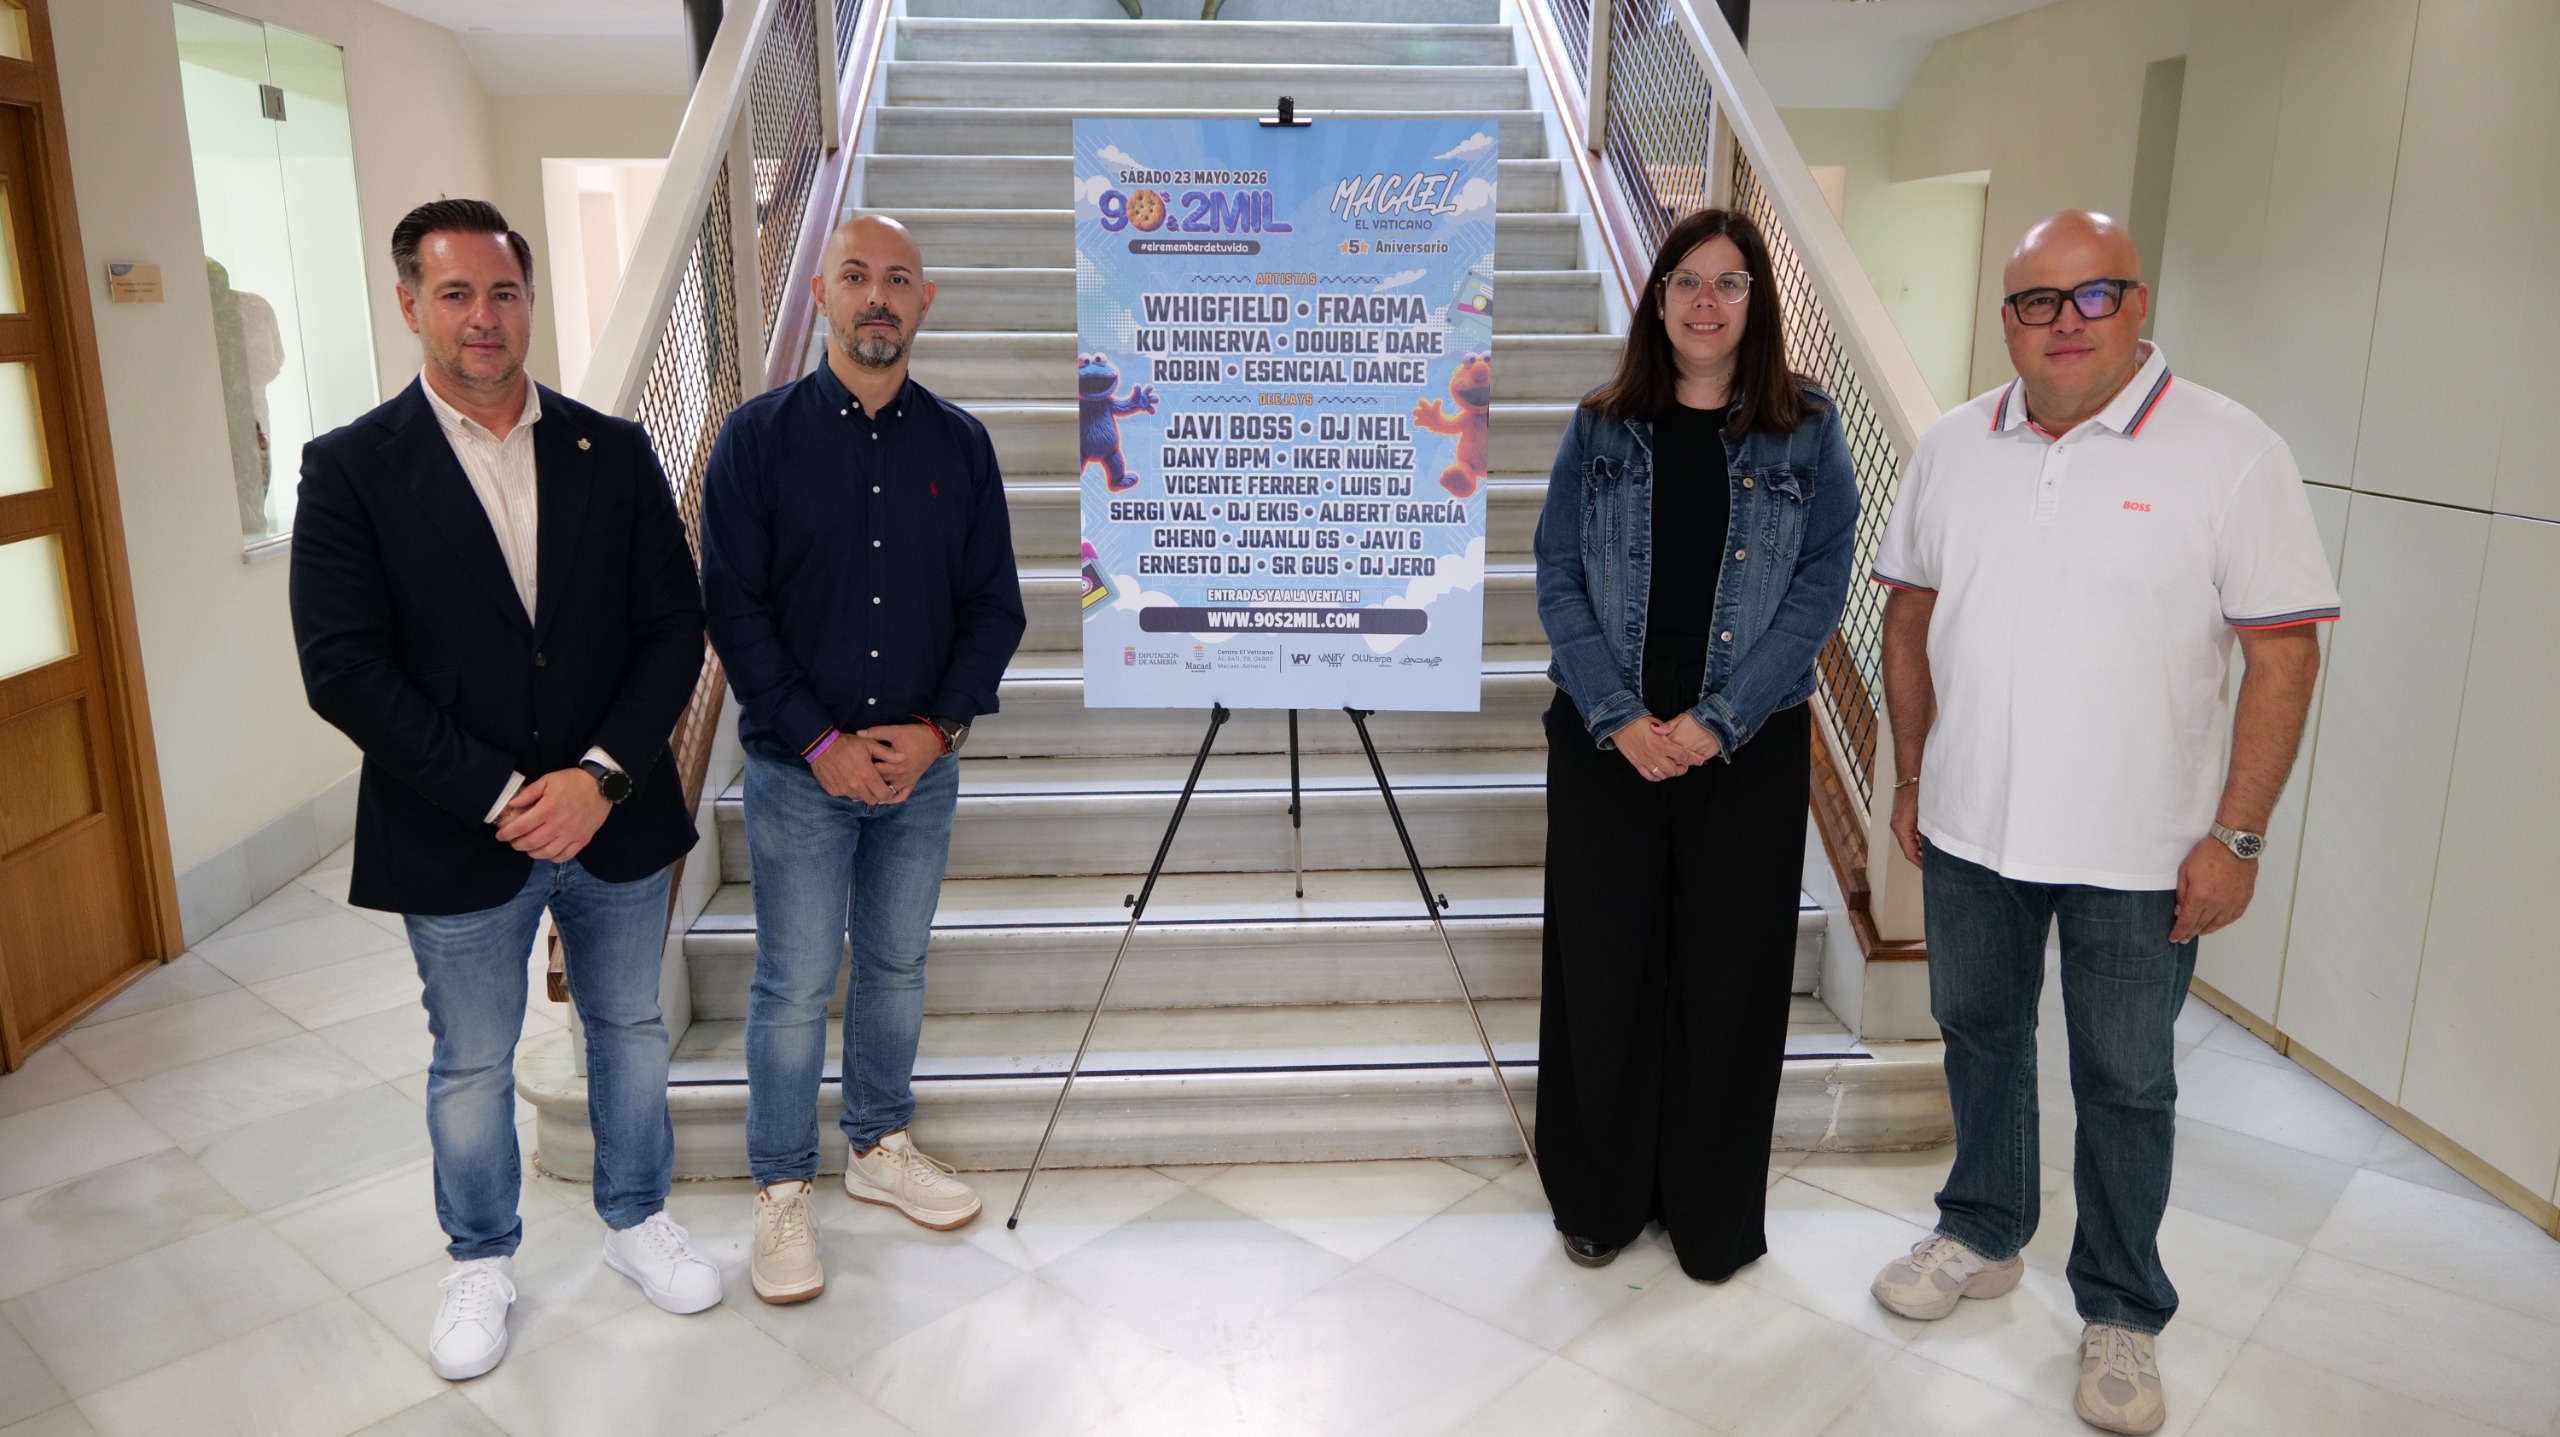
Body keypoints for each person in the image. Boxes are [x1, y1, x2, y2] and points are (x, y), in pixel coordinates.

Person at [1865, 211, 2335, 1436]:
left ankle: (2122, 1307)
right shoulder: (1952, 446)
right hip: (1970, 829)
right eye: (2037, 300)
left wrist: (2235, 837)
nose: (2064, 323)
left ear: (2136, 305)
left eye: (2093, 295)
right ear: (2006, 319)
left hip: (2143, 851)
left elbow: (2283, 657)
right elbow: (1907, 620)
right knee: (1977, 1035)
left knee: (2125, 1082)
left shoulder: (2232, 451)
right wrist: (1912, 780)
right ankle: (1982, 1229)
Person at [290, 199, 720, 1381]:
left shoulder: (609, 449)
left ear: (529, 302)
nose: (483, 317)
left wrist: (599, 777)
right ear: (409, 305)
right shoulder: (350, 469)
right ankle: (480, 1257)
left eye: (503, 293)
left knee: (628, 1027)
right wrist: (500, 795)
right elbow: (344, 670)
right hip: (454, 830)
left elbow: (673, 627)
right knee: (472, 1061)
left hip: (613, 820)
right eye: (456, 294)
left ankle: (636, 1218)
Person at [700, 214, 1026, 1305]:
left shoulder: (962, 446)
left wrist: (938, 732)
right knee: (793, 983)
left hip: (920, 773)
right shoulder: (756, 441)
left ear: (923, 300)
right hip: (800, 775)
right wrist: (821, 741)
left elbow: (994, 609)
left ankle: (879, 1144)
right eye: (854, 276)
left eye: (896, 279)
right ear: (823, 297)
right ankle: (782, 1185)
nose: (876, 296)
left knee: (895, 965)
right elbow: (733, 609)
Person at [1531, 207, 1859, 1281]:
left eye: (1729, 282)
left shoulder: (1808, 430)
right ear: (1658, 297)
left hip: (1748, 737)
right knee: (1603, 968)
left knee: (1730, 977)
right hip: (1607, 732)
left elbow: (1817, 591)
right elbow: (1557, 575)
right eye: (1686, 280)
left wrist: (1718, 720)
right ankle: (1599, 1199)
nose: (1706, 302)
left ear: (1755, 302)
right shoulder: (1600, 425)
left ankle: (1710, 1217)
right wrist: (1617, 716)